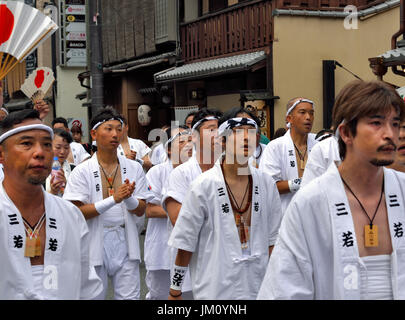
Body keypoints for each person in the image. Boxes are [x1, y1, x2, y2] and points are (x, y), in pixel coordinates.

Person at [258, 80, 405, 300]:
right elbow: (284, 291)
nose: (391, 134)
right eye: (376, 123)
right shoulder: (311, 202)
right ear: (346, 133)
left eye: (395, 123)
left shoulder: (402, 190)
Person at [168, 114, 282, 300]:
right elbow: (185, 242)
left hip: (258, 284)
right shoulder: (203, 185)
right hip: (215, 286)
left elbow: (273, 240)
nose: (246, 138)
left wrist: (278, 282)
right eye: (238, 133)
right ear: (222, 141)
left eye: (252, 133)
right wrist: (175, 290)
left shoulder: (266, 183)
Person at [0, 109, 101, 299]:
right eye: (26, 143)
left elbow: (88, 287)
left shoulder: (71, 215)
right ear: (1, 154)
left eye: (47, 145)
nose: (39, 152)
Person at [63, 107, 152, 300]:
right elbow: (75, 212)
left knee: (130, 297)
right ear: (94, 133)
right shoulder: (82, 170)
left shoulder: (134, 167)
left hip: (125, 237)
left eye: (119, 129)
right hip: (94, 238)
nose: (115, 134)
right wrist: (114, 199)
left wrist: (128, 198)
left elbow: (141, 210)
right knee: (93, 296)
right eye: (109, 129)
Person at [162, 108, 223, 299]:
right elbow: (180, 222)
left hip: (224, 259)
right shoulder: (181, 173)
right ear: (195, 137)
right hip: (189, 259)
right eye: (211, 129)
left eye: (221, 129)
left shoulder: (231, 171)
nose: (218, 134)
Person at [144, 125, 193, 300]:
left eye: (190, 140)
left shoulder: (198, 172)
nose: (188, 145)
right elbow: (150, 209)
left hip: (187, 247)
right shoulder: (157, 172)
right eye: (182, 141)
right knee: (160, 295)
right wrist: (181, 211)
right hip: (160, 246)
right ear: (169, 149)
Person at [259, 97, 316, 213]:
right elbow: (269, 185)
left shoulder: (319, 144)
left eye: (311, 113)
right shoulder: (275, 146)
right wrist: (302, 182)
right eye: (302, 112)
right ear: (289, 118)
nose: (308, 117)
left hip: (315, 213)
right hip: (285, 214)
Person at [45, 129, 75, 196]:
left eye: (66, 148)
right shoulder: (41, 169)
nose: (62, 152)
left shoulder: (74, 169)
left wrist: (67, 185)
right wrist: (52, 192)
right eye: (58, 147)